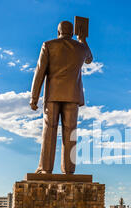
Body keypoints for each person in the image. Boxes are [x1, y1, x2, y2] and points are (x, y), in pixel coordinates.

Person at [29, 20, 93, 174]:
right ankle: (69, 170)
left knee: (49, 131)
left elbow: (39, 72)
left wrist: (34, 98)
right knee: (70, 132)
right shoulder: (81, 48)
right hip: (72, 96)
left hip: (53, 95)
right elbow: (89, 58)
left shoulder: (49, 45)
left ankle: (45, 169)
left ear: (58, 32)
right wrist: (82, 39)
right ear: (72, 33)